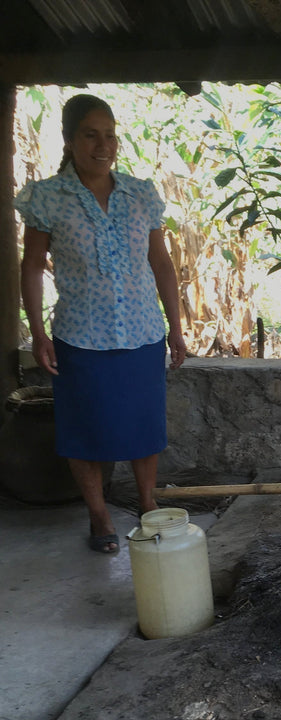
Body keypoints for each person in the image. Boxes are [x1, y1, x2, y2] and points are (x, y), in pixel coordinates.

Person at [15, 93, 187, 553]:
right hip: (80, 337)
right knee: (84, 432)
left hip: (142, 334)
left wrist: (176, 328)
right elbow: (32, 267)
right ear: (70, 140)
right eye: (91, 135)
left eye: (109, 135)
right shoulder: (47, 198)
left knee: (143, 428)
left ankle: (148, 505)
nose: (103, 145)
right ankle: (99, 515)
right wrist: (38, 332)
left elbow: (162, 264)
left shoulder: (140, 194)